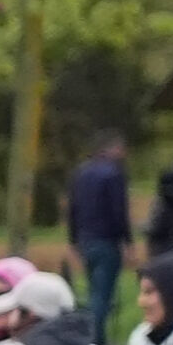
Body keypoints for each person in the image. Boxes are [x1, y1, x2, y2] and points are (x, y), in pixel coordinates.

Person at [66, 132, 132, 321]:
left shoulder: (81, 172)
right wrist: (127, 241)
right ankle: (95, 339)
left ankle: (93, 334)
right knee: (102, 295)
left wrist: (73, 239)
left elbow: (73, 207)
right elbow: (119, 210)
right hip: (107, 239)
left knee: (93, 288)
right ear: (115, 149)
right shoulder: (114, 174)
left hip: (85, 239)